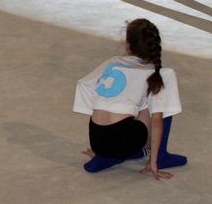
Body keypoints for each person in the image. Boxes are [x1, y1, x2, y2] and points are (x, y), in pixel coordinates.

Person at [73, 18, 187, 178]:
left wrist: (104, 113)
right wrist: (153, 162)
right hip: (125, 140)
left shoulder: (113, 62)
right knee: (159, 101)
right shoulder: (160, 73)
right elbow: (156, 122)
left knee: (128, 101)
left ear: (128, 45)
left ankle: (105, 157)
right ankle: (160, 157)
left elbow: (84, 85)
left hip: (97, 140)